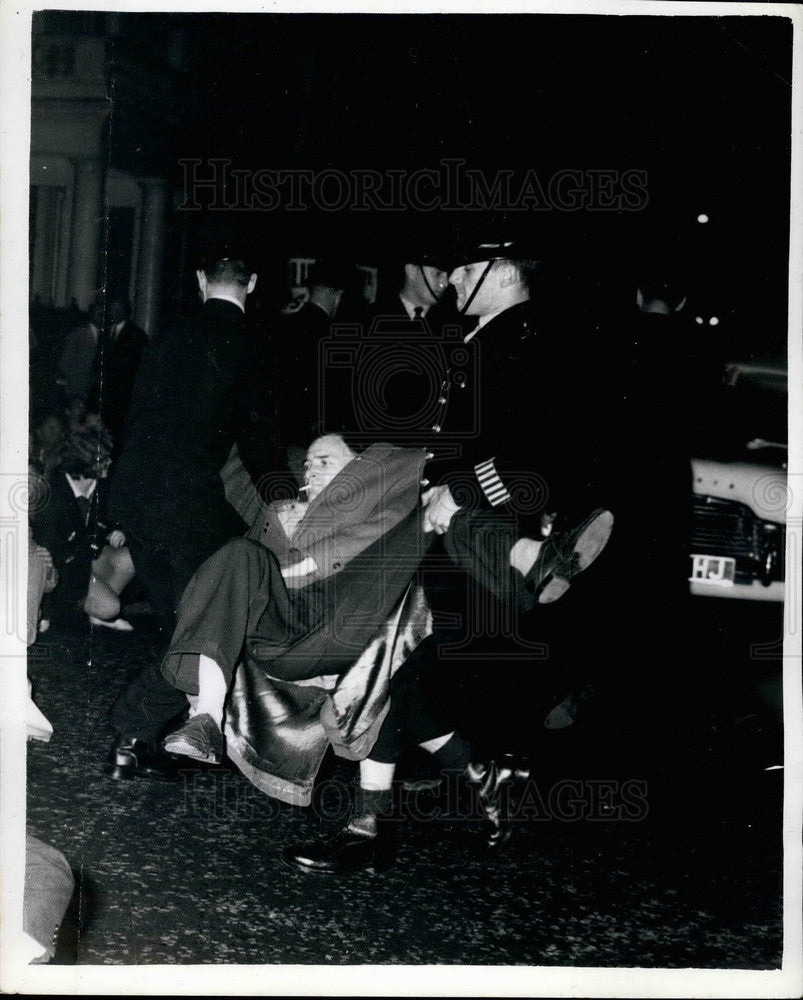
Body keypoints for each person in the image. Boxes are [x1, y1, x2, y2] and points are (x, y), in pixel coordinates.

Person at [105, 245, 270, 781]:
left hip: (136, 497)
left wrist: (118, 506)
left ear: (202, 279)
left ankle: (133, 740)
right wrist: (285, 498)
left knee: (187, 621)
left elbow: (134, 418)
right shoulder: (249, 343)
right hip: (188, 504)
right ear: (253, 284)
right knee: (212, 613)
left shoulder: (169, 334)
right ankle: (159, 728)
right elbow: (259, 439)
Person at [30, 424, 136, 631]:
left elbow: (114, 515)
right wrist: (45, 614)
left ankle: (93, 611)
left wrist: (116, 530)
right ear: (84, 463)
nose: (110, 461)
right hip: (65, 571)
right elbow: (47, 552)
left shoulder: (102, 486)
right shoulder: (54, 495)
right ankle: (90, 608)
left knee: (128, 558)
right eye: (102, 459)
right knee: (111, 608)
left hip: (88, 562)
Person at [90, 297, 148, 457]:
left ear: (127, 312)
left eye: (117, 309)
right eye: (111, 309)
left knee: (117, 443)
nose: (113, 313)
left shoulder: (137, 336)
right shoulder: (106, 333)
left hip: (122, 401)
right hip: (106, 400)